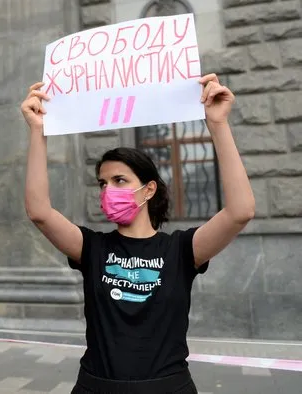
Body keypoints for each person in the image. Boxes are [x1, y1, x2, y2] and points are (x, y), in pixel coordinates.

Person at [21, 73, 255, 394]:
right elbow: (39, 211)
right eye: (103, 184)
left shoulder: (182, 250)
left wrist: (218, 124)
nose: (108, 190)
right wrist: (38, 131)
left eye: (119, 181)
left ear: (148, 190)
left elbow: (240, 211)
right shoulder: (92, 248)